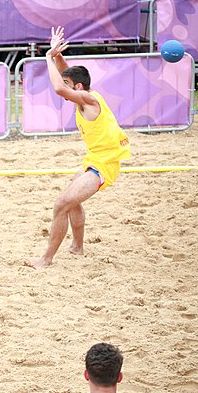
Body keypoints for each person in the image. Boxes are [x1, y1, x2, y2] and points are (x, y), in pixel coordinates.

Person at [25, 27, 130, 270]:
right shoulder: (85, 93)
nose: (65, 87)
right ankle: (77, 247)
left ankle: (46, 259)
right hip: (94, 159)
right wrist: (57, 54)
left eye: (70, 84)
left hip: (104, 165)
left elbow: (61, 88)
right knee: (71, 203)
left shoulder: (89, 100)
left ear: (79, 87)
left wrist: (47, 58)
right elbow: (67, 77)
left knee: (61, 204)